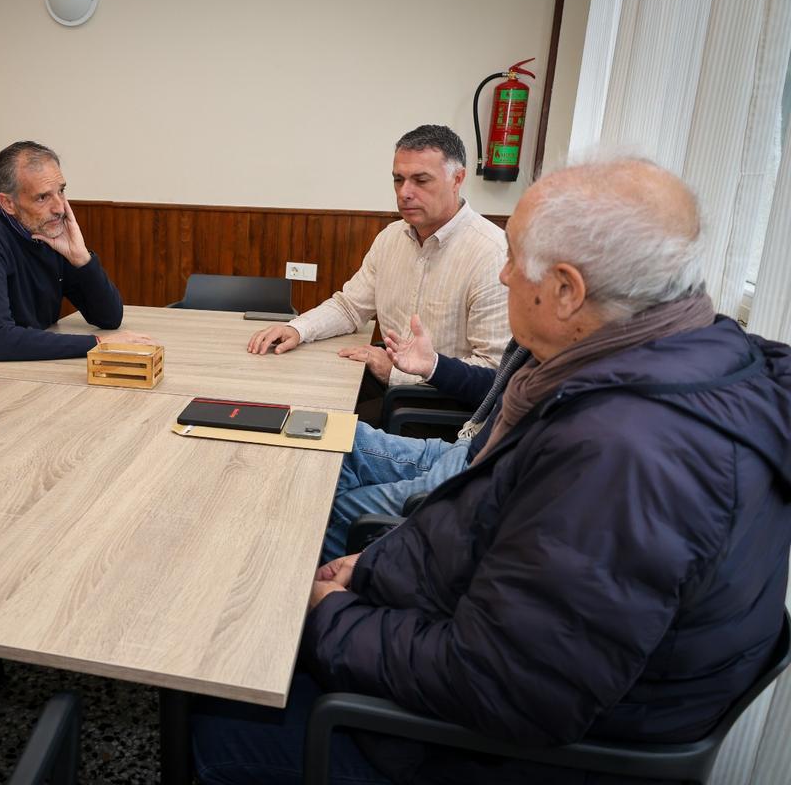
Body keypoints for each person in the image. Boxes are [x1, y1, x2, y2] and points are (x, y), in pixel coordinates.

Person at [193, 157, 791, 784]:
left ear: (567, 290)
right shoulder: (682, 368)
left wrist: (327, 615)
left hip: (487, 753)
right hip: (510, 676)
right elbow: (504, 554)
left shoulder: (624, 453)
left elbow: (506, 687)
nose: (502, 272)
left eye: (513, 257)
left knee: (219, 708)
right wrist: (371, 567)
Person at [247, 124, 509, 388]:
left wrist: (395, 374)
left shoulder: (492, 254)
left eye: (421, 180)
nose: (404, 193)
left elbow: (494, 373)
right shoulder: (391, 238)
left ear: (457, 179)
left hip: (439, 407)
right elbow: (349, 308)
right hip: (384, 385)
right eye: (398, 179)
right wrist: (298, 328)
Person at [322, 315, 531, 560]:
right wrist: (433, 365)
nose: (505, 276)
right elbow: (495, 388)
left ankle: (331, 582)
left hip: (479, 472)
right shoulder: (548, 350)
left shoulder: (572, 384)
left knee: (325, 506)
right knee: (340, 434)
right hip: (467, 448)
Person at [0, 140, 150, 363]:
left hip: (29, 367)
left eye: (61, 191)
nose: (59, 208)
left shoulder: (47, 231)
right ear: (8, 203)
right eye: (42, 197)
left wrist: (82, 259)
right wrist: (97, 344)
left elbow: (109, 317)